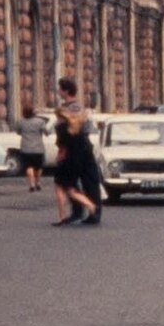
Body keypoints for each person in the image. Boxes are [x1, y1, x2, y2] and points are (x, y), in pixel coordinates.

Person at [51, 76, 102, 226]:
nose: (59, 91)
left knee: (68, 181)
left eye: (60, 89)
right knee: (90, 181)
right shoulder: (81, 108)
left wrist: (61, 151)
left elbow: (64, 133)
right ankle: (93, 212)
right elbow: (87, 128)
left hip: (72, 148)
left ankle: (80, 211)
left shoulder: (65, 111)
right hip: (85, 147)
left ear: (66, 91)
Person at [16, 105, 49, 192]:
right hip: (38, 148)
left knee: (28, 166)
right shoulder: (40, 121)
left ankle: (31, 184)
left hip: (26, 148)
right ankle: (38, 182)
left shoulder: (21, 122)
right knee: (38, 167)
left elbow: (18, 132)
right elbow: (46, 132)